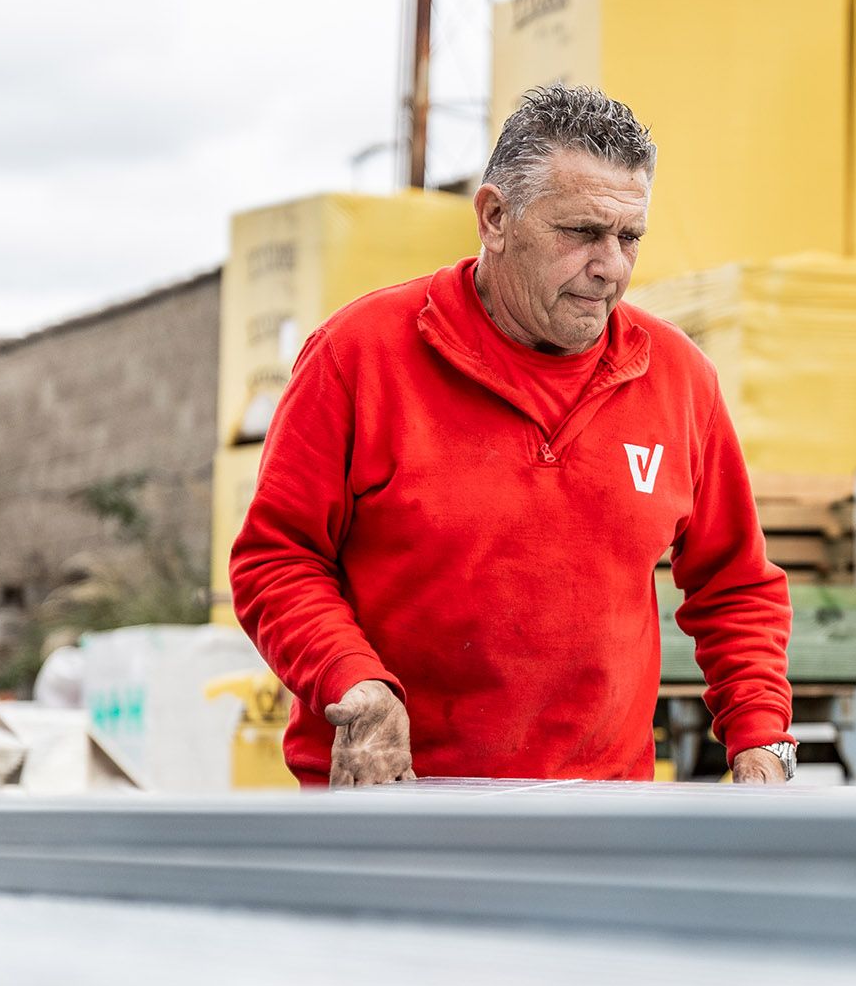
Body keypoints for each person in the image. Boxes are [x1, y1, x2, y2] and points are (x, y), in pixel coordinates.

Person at [229, 84, 795, 787]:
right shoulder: (358, 356)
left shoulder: (679, 379)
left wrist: (761, 740)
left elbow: (735, 585)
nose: (611, 266)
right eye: (581, 232)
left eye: (629, 237)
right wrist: (356, 685)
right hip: (391, 798)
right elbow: (276, 559)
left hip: (599, 814)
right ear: (495, 217)